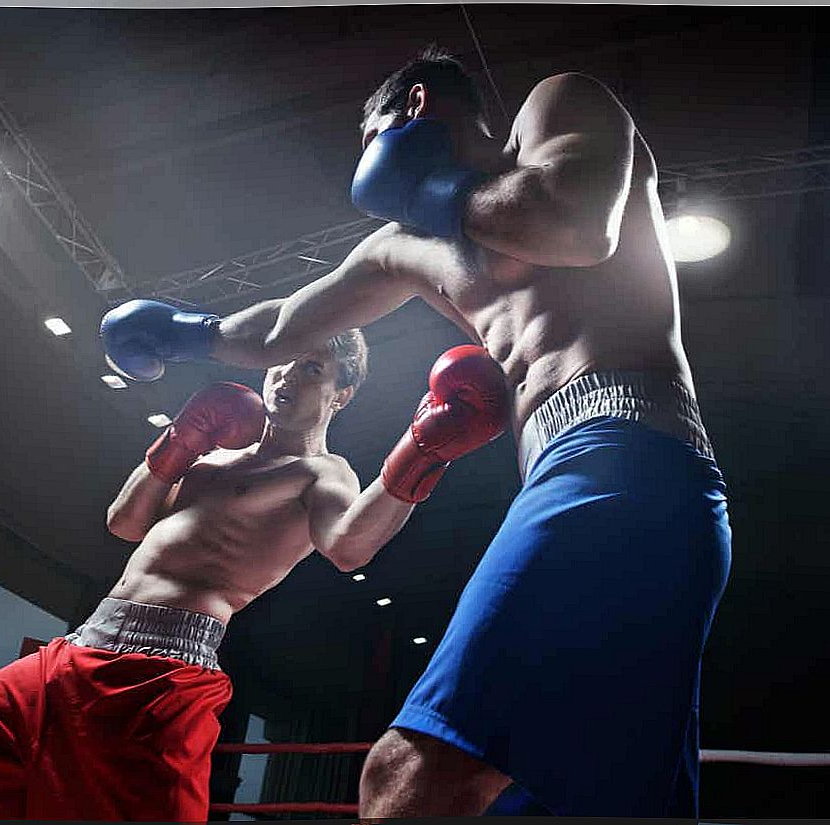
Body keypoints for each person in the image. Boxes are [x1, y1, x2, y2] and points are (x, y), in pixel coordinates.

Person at [96, 48, 732, 818]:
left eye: (370, 141)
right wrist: (182, 330)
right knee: (595, 801)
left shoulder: (559, 106)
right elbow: (280, 325)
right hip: (586, 474)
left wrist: (428, 183)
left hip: (625, 451)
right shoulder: (405, 245)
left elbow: (575, 225)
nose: (369, 172)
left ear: (415, 108)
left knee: (408, 782)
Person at [0, 329, 509, 820]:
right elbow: (124, 521)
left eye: (312, 367)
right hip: (72, 653)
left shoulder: (322, 474)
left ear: (343, 391)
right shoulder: (213, 455)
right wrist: (184, 437)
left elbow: (350, 546)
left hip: (160, 677)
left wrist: (422, 451)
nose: (286, 376)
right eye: (284, 361)